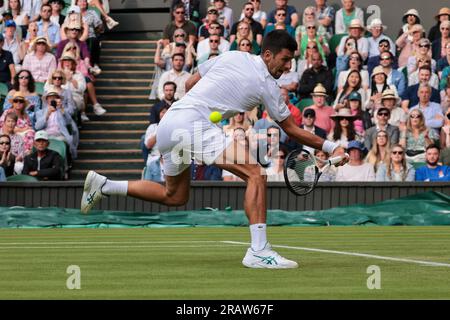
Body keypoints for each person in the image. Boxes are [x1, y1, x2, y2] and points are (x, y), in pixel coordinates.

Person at [81, 30, 348, 269]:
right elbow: (291, 129)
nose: (288, 66)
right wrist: (331, 146)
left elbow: (189, 84)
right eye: (285, 59)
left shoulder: (233, 55)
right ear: (268, 55)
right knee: (256, 174)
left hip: (169, 124)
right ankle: (258, 250)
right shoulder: (268, 86)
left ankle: (104, 186)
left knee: (174, 195)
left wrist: (210, 108)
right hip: (193, 125)